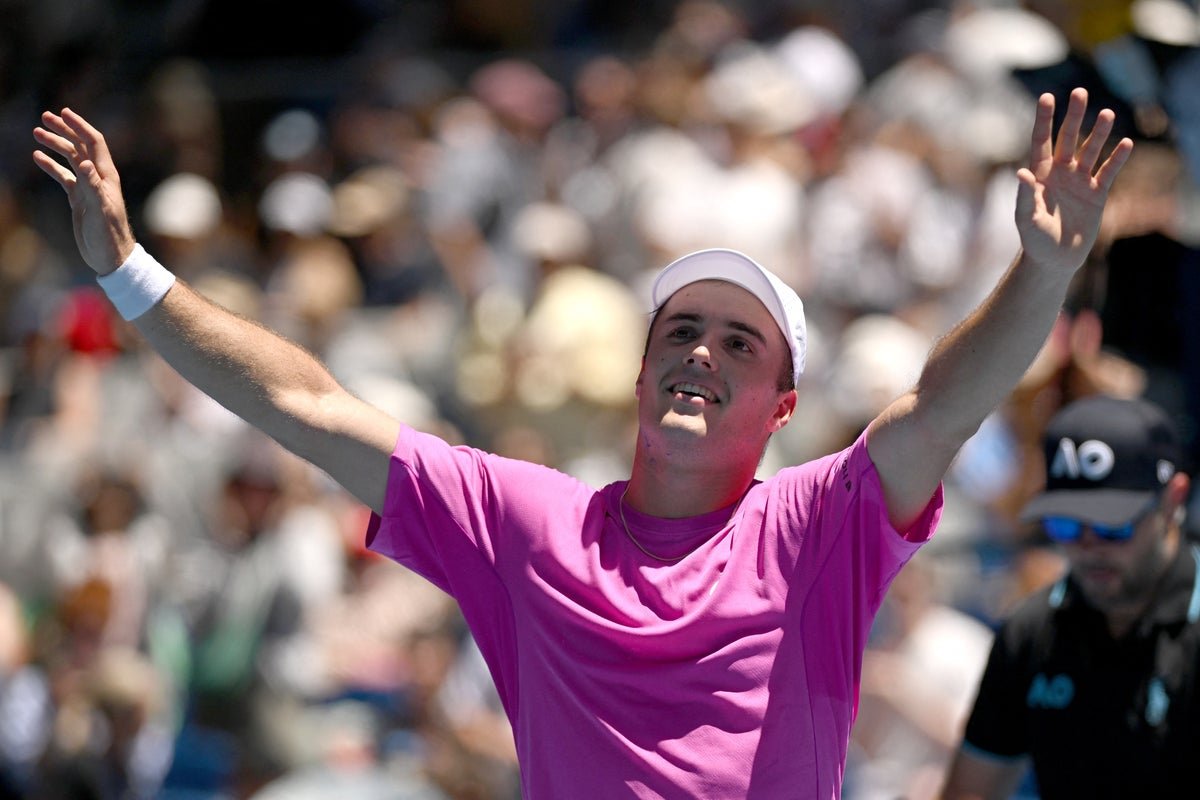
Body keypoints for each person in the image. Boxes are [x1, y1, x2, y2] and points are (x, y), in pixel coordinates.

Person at [32, 87, 1130, 798]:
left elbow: (945, 401)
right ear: (643, 371)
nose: (701, 349)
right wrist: (130, 272)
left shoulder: (819, 523)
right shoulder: (525, 519)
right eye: (682, 329)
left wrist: (1040, 270)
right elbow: (311, 407)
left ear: (783, 406)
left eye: (738, 341)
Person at [942, 393, 1197, 799]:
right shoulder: (1030, 631)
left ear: (1173, 500)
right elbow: (970, 792)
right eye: (1066, 525)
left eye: (1114, 526)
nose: (1089, 546)